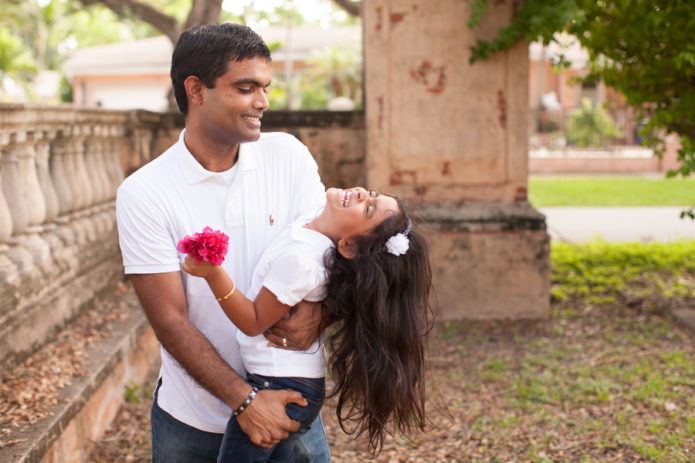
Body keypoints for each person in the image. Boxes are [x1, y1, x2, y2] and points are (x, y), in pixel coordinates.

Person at [116, 23, 331, 462]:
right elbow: (170, 318)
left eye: (265, 87)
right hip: (194, 423)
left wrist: (323, 312)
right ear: (196, 90)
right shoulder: (145, 192)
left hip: (290, 412)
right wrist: (246, 401)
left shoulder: (288, 157)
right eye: (246, 87)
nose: (263, 102)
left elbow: (329, 256)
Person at [181, 186, 433, 461]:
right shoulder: (315, 222)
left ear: (348, 245)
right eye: (372, 193)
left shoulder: (302, 261)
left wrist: (212, 273)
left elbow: (253, 321)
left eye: (368, 209)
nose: (362, 194)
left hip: (280, 385)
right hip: (290, 383)